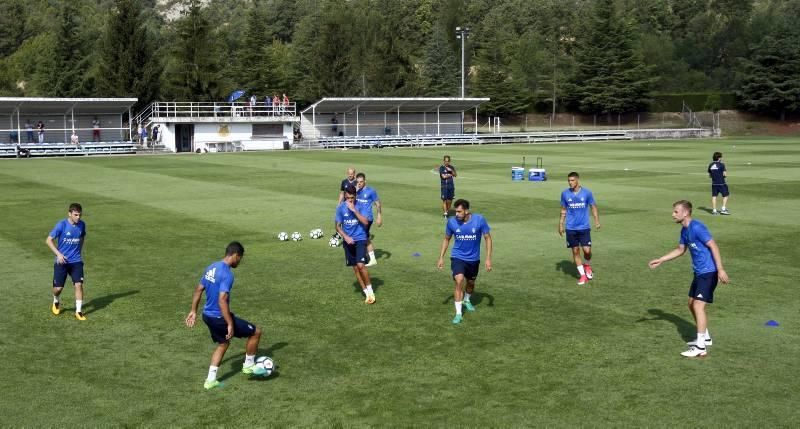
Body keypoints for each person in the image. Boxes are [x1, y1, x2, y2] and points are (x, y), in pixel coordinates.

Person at [648, 200, 730, 358]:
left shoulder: (697, 227)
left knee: (698, 306)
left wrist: (720, 269)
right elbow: (680, 250)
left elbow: (713, 245)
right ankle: (705, 337)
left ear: (685, 213)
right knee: (691, 304)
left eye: (676, 212)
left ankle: (700, 346)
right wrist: (661, 259)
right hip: (699, 272)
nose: (673, 214)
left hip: (709, 272)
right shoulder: (684, 231)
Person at [184, 241, 268, 390]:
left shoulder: (212, 267)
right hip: (219, 317)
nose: (239, 262)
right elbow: (222, 299)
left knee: (223, 343)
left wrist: (193, 311)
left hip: (206, 315)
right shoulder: (227, 274)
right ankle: (248, 366)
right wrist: (229, 323)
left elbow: (198, 289)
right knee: (256, 332)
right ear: (235, 255)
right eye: (240, 258)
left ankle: (210, 380)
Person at [437, 199, 493, 324]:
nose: (456, 214)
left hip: (473, 259)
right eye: (456, 211)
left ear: (467, 211)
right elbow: (446, 239)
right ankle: (458, 313)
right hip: (458, 257)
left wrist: (488, 258)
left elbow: (488, 238)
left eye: (459, 211)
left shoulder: (479, 220)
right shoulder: (452, 222)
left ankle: (467, 300)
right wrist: (441, 257)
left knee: (471, 283)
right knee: (459, 280)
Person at [45, 203, 88, 321]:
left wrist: (79, 250)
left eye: (80, 215)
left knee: (78, 285)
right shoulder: (61, 225)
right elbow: (48, 240)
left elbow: (82, 236)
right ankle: (56, 300)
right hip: (62, 262)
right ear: (69, 214)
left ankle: (78, 311)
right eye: (76, 215)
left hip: (76, 261)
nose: (78, 217)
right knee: (58, 289)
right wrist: (58, 254)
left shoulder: (82, 225)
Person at [335, 185, 376, 304]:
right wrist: (346, 237)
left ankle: (371, 290)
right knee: (355, 268)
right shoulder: (340, 208)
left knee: (360, 265)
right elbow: (337, 226)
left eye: (352, 197)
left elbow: (365, 222)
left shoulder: (361, 206)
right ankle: (366, 293)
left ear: (356, 196)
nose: (350, 200)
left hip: (360, 238)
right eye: (347, 198)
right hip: (348, 241)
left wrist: (354, 210)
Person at [559, 172, 600, 285]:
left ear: (577, 180)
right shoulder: (565, 194)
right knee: (575, 251)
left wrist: (596, 221)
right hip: (570, 228)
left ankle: (587, 265)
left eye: (572, 180)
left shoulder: (587, 193)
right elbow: (563, 209)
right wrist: (561, 224)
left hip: (584, 227)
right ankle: (582, 276)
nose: (570, 182)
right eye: (569, 180)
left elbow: (593, 206)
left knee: (587, 251)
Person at [355, 172, 382, 267]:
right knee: (364, 238)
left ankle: (364, 257)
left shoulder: (371, 191)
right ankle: (368, 257)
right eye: (358, 182)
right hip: (358, 218)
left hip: (367, 219)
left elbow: (378, 203)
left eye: (361, 182)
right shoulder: (356, 191)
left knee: (362, 238)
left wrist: (379, 216)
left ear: (365, 181)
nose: (359, 183)